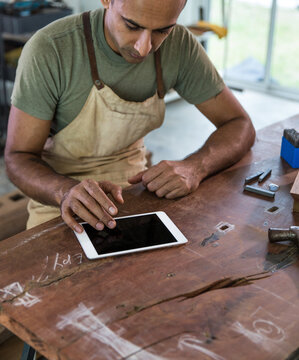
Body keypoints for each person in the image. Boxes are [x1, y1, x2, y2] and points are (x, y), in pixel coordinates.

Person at [4, 0, 255, 234]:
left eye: (162, 31)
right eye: (132, 26)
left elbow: (239, 124)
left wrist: (196, 166)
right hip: (59, 203)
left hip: (136, 192)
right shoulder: (51, 48)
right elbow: (18, 157)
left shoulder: (179, 45)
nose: (143, 48)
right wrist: (64, 191)